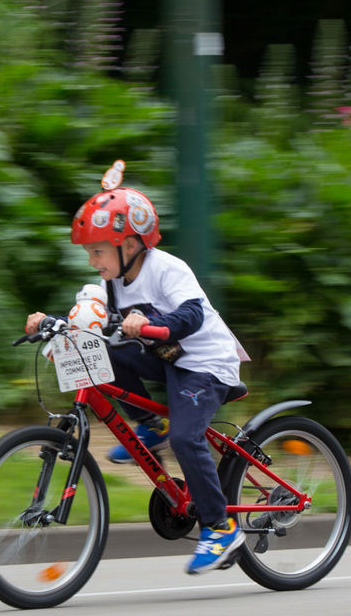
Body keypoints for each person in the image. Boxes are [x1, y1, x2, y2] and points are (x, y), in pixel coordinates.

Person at [25, 161, 245, 574]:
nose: (92, 261)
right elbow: (94, 320)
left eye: (97, 251)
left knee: (187, 437)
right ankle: (150, 424)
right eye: (90, 253)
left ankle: (222, 528)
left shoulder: (167, 268)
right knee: (103, 356)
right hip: (170, 360)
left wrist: (151, 325)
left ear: (129, 245)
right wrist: (53, 323)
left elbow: (194, 315)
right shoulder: (113, 282)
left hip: (205, 363)